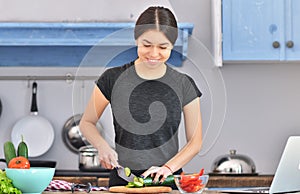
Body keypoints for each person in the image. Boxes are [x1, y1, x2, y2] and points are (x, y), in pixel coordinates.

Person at [79, 6, 203, 188]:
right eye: (146, 45)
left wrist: (168, 168)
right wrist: (102, 146)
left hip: (166, 182)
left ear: (172, 46)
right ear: (136, 39)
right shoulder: (112, 78)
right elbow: (87, 123)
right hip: (122, 182)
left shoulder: (184, 84)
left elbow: (195, 142)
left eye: (163, 47)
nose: (153, 54)